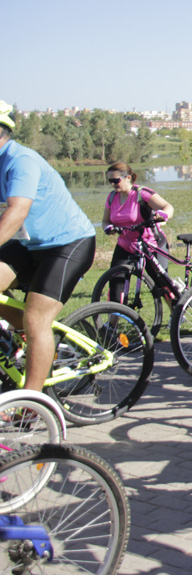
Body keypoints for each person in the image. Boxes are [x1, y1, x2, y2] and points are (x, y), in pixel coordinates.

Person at [0, 100, 96, 392]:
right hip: (29, 245)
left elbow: (17, 212)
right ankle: (25, 341)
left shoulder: (20, 161)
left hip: (67, 244)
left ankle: (31, 404)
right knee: (27, 320)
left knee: (36, 317)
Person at [100, 162, 175, 304]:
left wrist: (163, 214)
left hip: (151, 244)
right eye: (110, 181)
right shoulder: (111, 198)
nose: (112, 184)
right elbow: (105, 220)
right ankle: (112, 324)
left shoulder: (141, 194)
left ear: (128, 178)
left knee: (162, 283)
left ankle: (176, 315)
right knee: (116, 285)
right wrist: (108, 228)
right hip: (125, 245)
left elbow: (168, 207)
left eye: (116, 180)